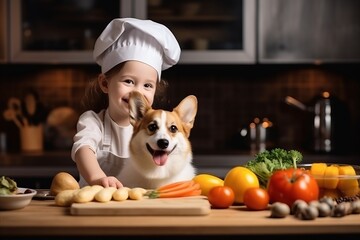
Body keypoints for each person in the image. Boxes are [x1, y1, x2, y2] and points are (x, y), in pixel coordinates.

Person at [71, 18, 181, 188]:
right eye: (129, 81)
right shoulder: (93, 122)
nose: (137, 92)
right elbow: (83, 150)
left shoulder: (153, 128)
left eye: (147, 85)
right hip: (94, 205)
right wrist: (98, 178)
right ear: (105, 83)